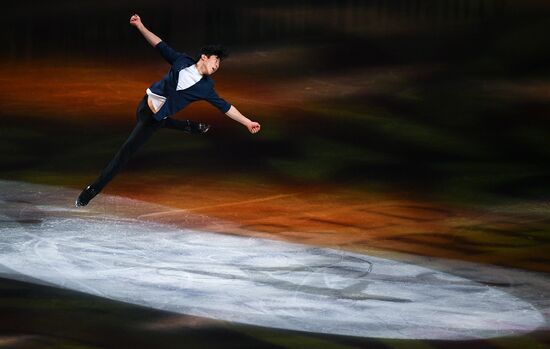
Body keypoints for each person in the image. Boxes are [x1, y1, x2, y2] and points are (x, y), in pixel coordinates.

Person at [75, 14, 261, 207]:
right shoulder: (181, 61)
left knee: (126, 152)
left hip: (154, 119)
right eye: (215, 60)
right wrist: (140, 25)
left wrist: (247, 122)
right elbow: (159, 45)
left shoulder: (206, 88)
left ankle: (91, 191)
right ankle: (188, 126)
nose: (217, 65)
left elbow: (226, 107)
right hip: (144, 104)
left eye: (219, 64)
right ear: (204, 57)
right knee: (156, 122)